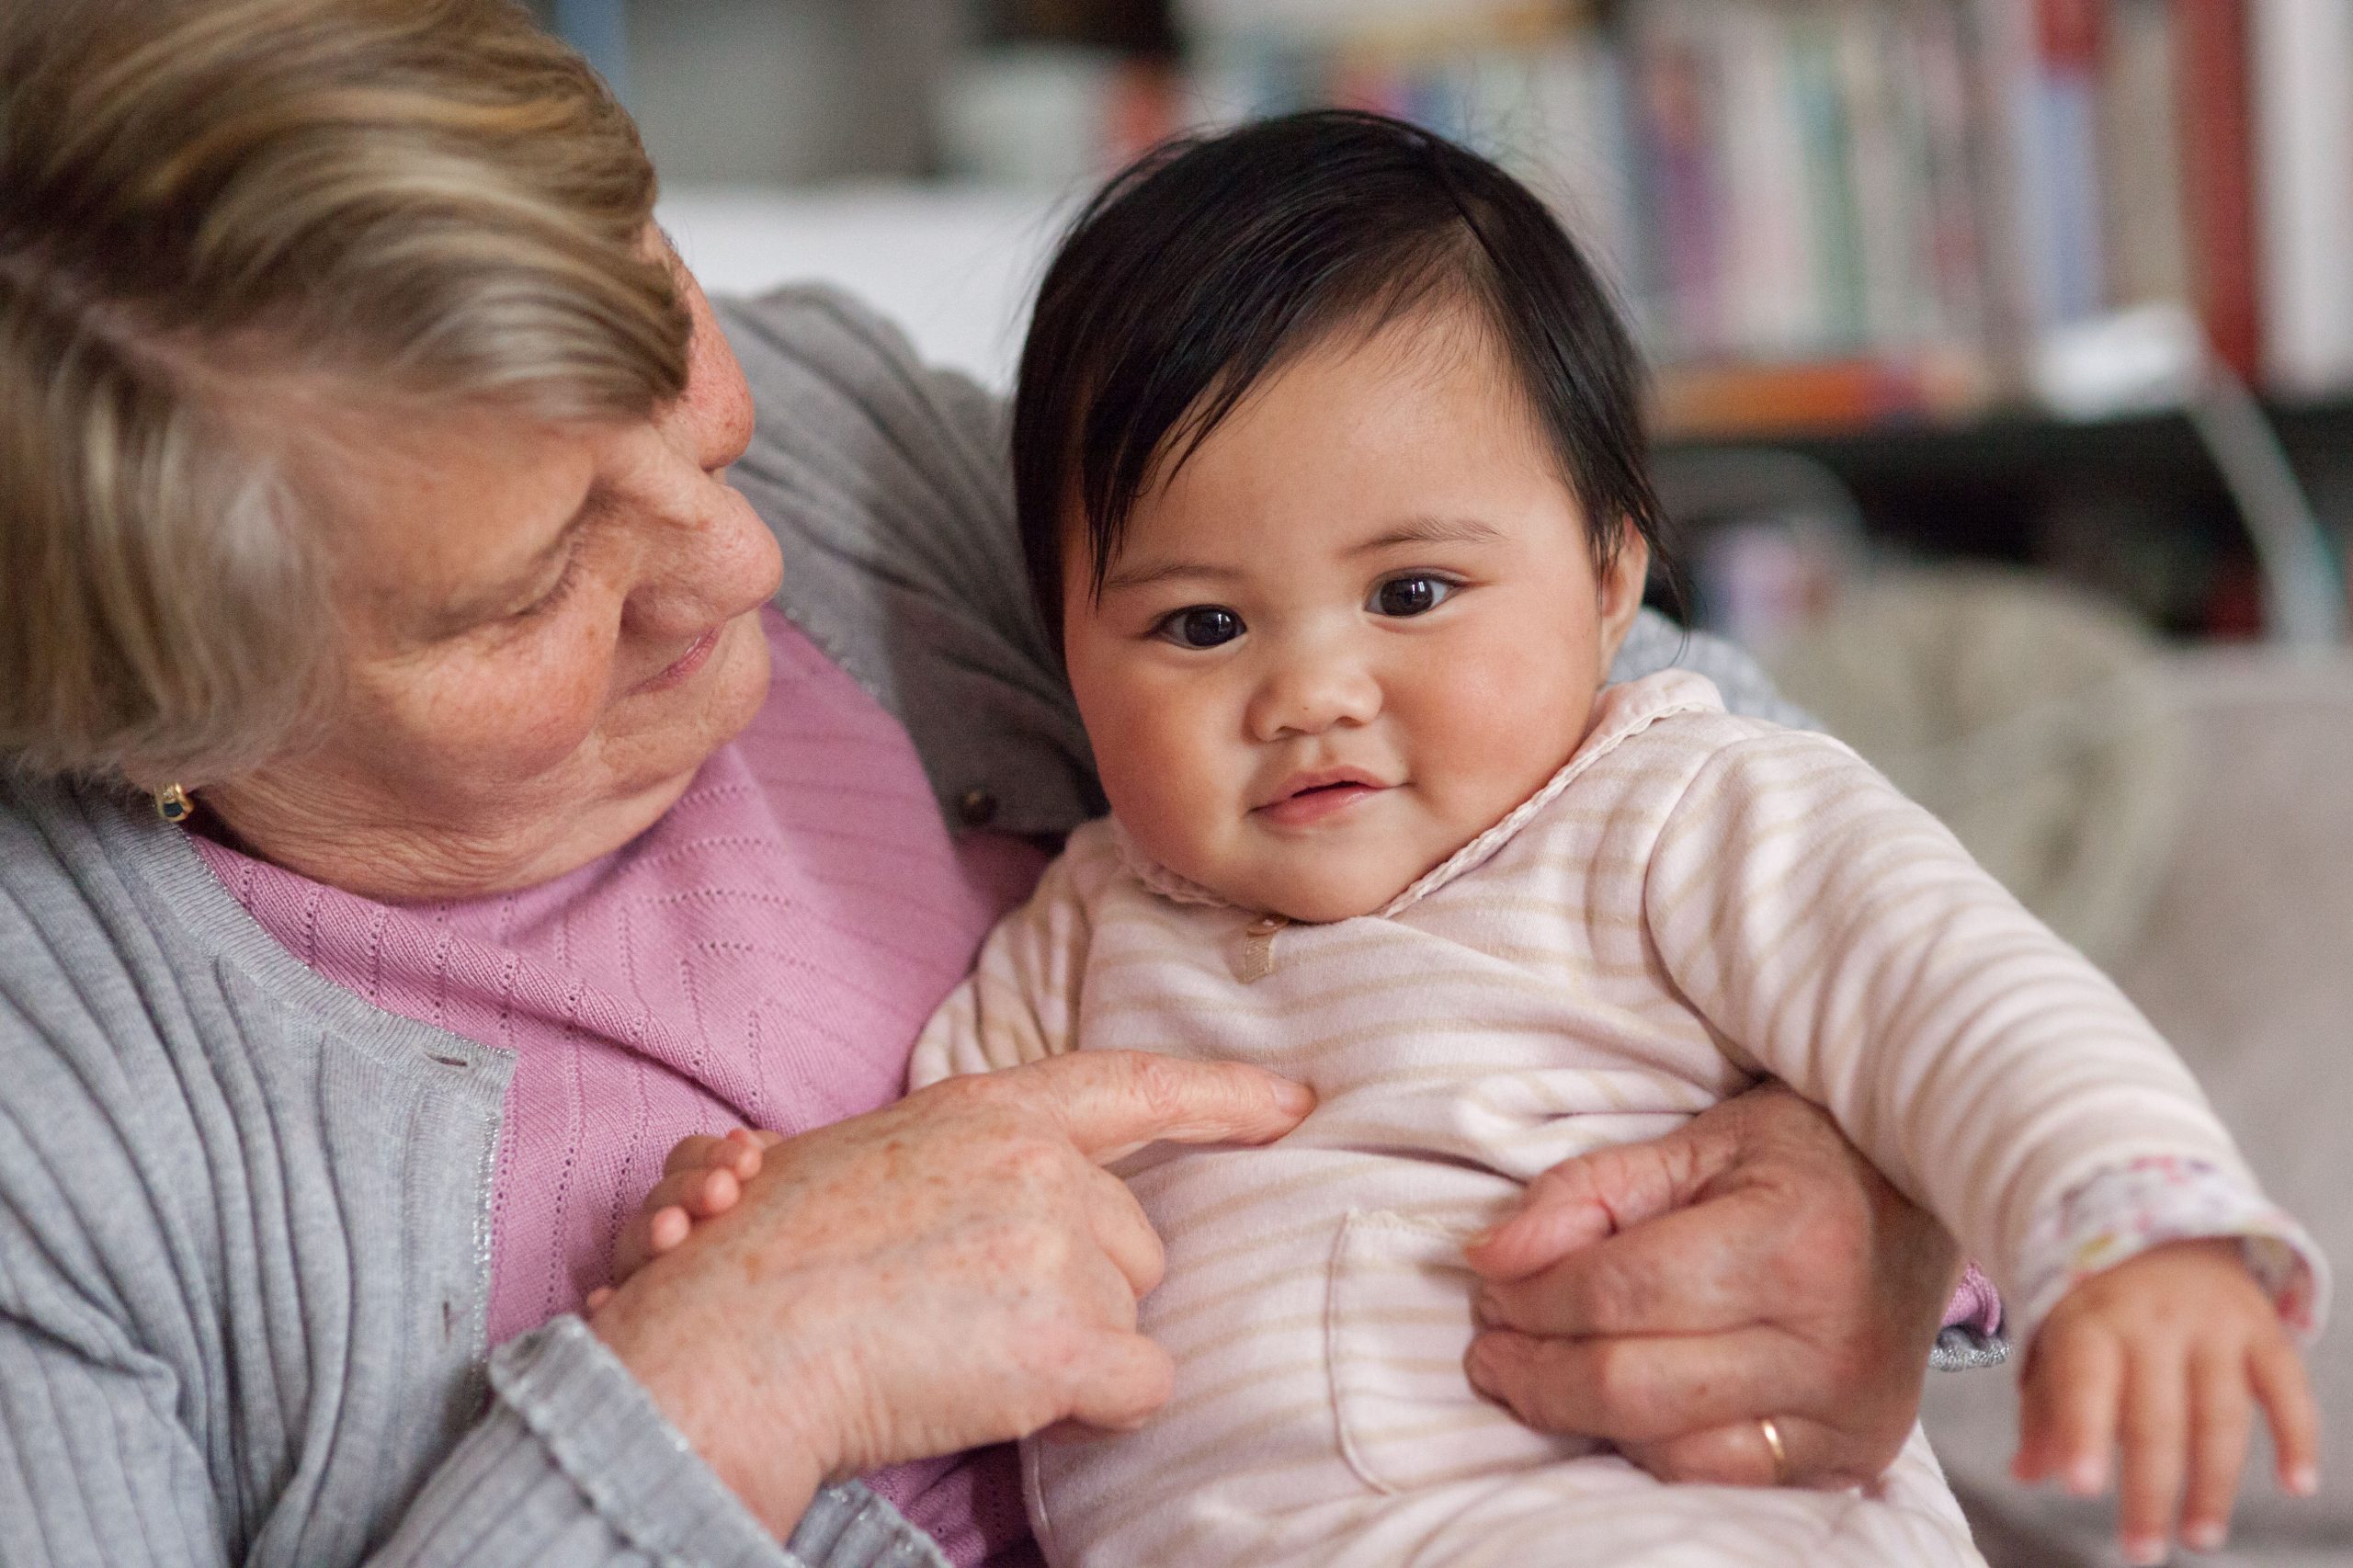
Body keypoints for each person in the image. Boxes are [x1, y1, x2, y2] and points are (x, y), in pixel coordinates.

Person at [3, 5, 1995, 1565]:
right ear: (161, 711)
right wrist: (710, 1394)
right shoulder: (56, 1123)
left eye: (678, 376)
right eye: (532, 591)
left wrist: (1863, 1161)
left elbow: (1630, 703)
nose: (738, 567)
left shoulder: (849, 450)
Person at [630, 114, 2326, 1568]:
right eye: (1200, 625)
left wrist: (2132, 1230)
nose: (1309, 691)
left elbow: (1958, 998)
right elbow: (933, 1203)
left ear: (1608, 581)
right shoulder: (1077, 936)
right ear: (1065, 643)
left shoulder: (1671, 813)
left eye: (1413, 594)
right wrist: (750, 1211)